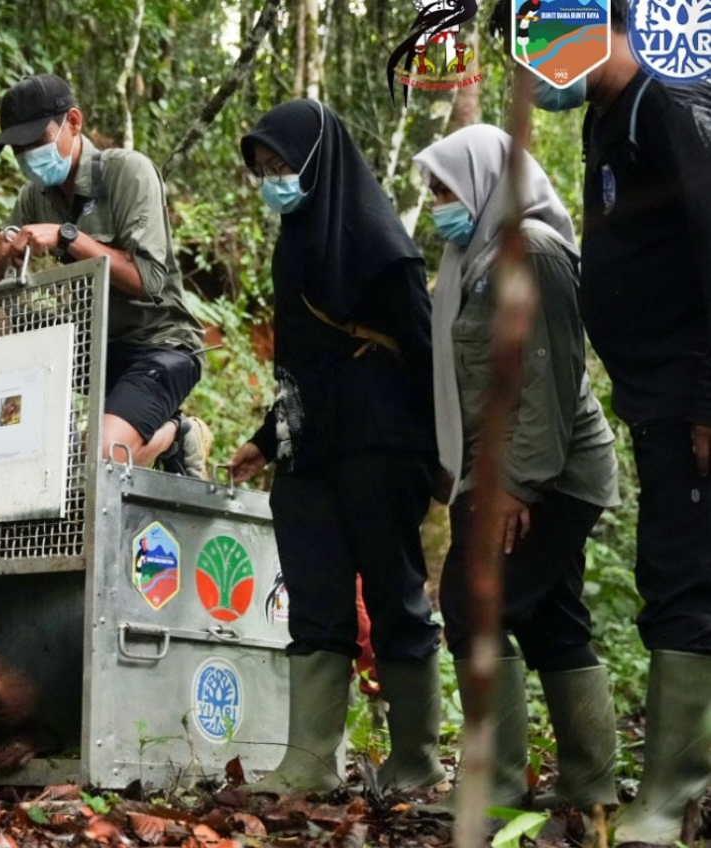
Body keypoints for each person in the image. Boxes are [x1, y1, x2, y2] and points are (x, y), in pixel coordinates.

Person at [492, 0, 711, 837]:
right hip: (653, 398)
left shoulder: (670, 102)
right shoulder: (607, 118)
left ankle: (672, 796)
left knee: (683, 578)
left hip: (689, 392)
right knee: (672, 573)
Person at [229, 99, 444, 796]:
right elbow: (307, 365)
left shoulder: (382, 249)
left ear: (321, 162)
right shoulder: (294, 244)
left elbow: (427, 356)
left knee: (393, 596)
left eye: (282, 165)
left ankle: (415, 758)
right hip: (308, 452)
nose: (273, 180)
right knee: (315, 597)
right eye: (263, 169)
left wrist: (446, 453)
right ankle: (310, 762)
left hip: (381, 446)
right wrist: (265, 441)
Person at [414, 124, 620, 810]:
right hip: (505, 467)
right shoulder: (469, 258)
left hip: (549, 470)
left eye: (447, 189)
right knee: (550, 620)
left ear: (486, 182)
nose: (439, 204)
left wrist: (514, 486)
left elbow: (547, 382)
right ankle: (590, 787)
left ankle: (493, 785)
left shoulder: (531, 251)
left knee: (471, 603)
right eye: (433, 192)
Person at [0, 74, 210, 479]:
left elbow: (149, 280)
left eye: (36, 141)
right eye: (18, 149)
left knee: (99, 461)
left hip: (160, 346)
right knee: (40, 455)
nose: (28, 156)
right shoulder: (33, 198)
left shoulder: (128, 172)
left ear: (73, 122)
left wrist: (68, 236)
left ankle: (179, 434)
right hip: (92, 349)